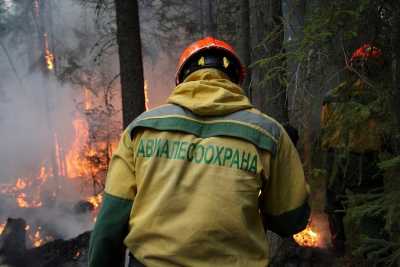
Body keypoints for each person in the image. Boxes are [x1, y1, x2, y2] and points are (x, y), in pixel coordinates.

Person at [89, 37, 310, 267]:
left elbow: (109, 226)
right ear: (235, 79)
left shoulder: (140, 129)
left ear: (182, 79)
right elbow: (291, 219)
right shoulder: (268, 133)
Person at [321, 44, 388, 254]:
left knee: (334, 206)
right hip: (365, 161)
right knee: (372, 208)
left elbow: (325, 129)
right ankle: (376, 253)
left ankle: (338, 248)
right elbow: (384, 133)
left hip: (335, 158)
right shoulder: (379, 98)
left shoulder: (332, 95)